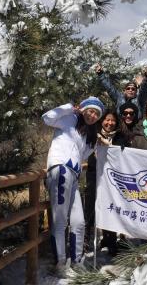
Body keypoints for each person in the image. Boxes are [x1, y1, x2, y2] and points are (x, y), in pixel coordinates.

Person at [42, 96, 104, 274]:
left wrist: (96, 143)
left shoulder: (85, 132)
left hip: (74, 176)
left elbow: (83, 156)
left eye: (96, 114)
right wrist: (69, 108)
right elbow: (47, 118)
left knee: (79, 221)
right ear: (83, 109)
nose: (92, 115)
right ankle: (60, 263)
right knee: (60, 220)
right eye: (90, 111)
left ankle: (76, 261)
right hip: (60, 169)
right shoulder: (69, 119)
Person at [85, 110, 121, 256]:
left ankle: (110, 240)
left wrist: (110, 147)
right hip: (94, 175)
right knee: (90, 206)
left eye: (112, 120)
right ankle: (86, 241)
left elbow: (123, 154)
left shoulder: (119, 137)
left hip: (112, 178)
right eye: (107, 120)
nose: (109, 123)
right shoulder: (93, 135)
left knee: (110, 207)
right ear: (102, 121)